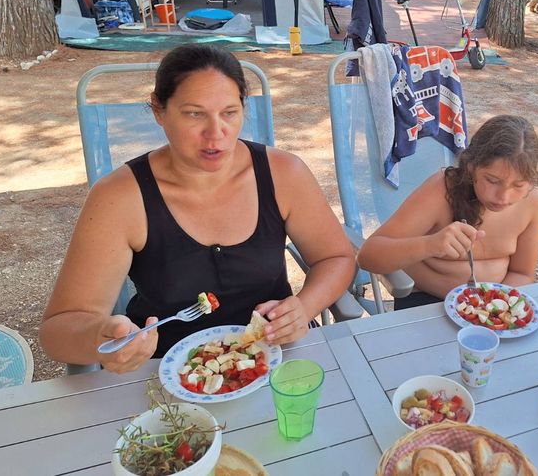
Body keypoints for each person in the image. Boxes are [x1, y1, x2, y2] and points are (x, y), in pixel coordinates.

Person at [40, 44, 355, 373]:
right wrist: (101, 339)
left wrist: (304, 308)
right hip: (163, 374)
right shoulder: (119, 197)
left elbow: (335, 257)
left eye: (229, 113)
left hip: (273, 361)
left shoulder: (283, 174)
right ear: (159, 111)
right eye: (194, 114)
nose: (215, 133)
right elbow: (59, 329)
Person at [357, 115, 538, 309]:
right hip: (427, 303)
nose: (503, 197)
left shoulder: (533, 202)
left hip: (495, 303)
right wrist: (430, 245)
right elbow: (368, 256)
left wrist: (493, 306)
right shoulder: (442, 192)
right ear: (472, 166)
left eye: (518, 185)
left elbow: (522, 273)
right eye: (492, 180)